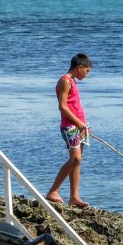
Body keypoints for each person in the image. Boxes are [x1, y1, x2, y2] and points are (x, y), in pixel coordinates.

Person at [46, 53, 93, 208]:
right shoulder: (65, 81)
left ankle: (74, 197)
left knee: (77, 162)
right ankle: (53, 191)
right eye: (86, 71)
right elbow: (63, 107)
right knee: (75, 159)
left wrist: (84, 125)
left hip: (80, 126)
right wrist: (79, 123)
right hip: (70, 126)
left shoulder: (73, 81)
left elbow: (75, 106)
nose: (86, 75)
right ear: (79, 67)